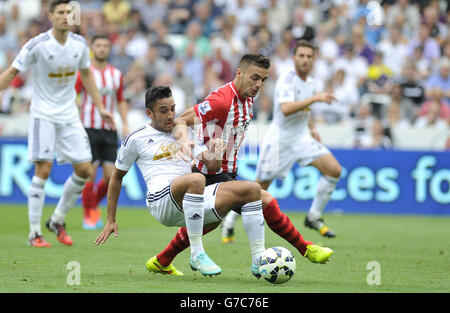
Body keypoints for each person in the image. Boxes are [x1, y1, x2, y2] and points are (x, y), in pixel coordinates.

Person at [146, 53, 333, 275]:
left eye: (263, 80)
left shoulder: (247, 100)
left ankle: (162, 259)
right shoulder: (221, 101)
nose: (259, 84)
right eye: (254, 78)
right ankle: (300, 251)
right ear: (239, 73)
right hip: (208, 174)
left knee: (214, 221)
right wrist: (186, 141)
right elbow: (181, 120)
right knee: (260, 196)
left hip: (226, 174)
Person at [95, 86, 266, 277]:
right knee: (196, 179)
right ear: (149, 113)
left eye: (173, 109)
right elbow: (117, 176)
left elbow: (213, 167)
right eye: (163, 110)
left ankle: (259, 260)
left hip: (189, 199)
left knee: (251, 189)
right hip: (161, 201)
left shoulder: (184, 132)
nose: (170, 115)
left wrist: (216, 149)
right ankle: (197, 254)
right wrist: (110, 219)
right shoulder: (136, 138)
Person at [0, 0, 115, 247]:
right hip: (44, 115)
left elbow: (86, 75)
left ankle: (57, 219)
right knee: (43, 171)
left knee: (84, 170)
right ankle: (34, 234)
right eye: (60, 12)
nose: (65, 16)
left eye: (69, 12)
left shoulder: (79, 45)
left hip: (69, 115)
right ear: (50, 15)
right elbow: (12, 72)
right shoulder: (37, 45)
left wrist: (100, 106)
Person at [249, 40, 342, 238]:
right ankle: (230, 220)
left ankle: (314, 216)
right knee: (260, 187)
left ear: (313, 59)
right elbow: (286, 108)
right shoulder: (286, 79)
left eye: (309, 56)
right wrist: (316, 98)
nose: (305, 60)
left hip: (301, 138)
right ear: (294, 58)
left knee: (334, 170)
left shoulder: (311, 82)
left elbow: (304, 110)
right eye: (301, 56)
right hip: (280, 140)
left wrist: (312, 128)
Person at [75, 34, 130, 230]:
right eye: (98, 45)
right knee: (89, 173)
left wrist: (124, 122)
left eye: (105, 46)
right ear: (92, 48)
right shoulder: (84, 72)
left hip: (109, 130)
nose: (102, 49)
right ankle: (88, 215)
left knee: (110, 178)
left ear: (109, 49)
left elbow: (121, 100)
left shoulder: (116, 74)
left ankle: (92, 207)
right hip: (88, 127)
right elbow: (76, 96)